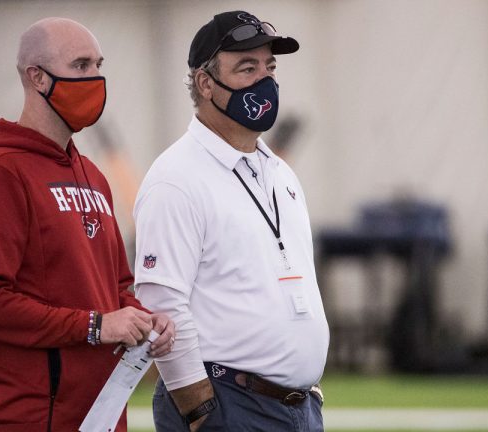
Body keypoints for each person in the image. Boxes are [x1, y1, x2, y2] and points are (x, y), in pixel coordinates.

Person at [0, 17, 175, 432]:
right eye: (81, 65)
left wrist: (144, 317)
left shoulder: (92, 175)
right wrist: (95, 326)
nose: (96, 78)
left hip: (99, 415)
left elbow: (116, 286)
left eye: (98, 65)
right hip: (27, 417)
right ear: (37, 77)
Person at [134, 10, 329, 431]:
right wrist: (200, 411)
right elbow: (161, 301)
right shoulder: (177, 178)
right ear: (205, 84)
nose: (265, 80)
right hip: (229, 404)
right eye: (247, 67)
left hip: (295, 408)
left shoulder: (279, 172)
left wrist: (304, 383)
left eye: (269, 67)